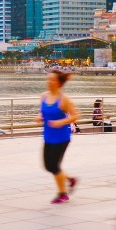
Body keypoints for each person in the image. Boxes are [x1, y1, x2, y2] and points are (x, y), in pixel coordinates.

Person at [39, 70, 79, 204]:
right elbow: (43, 112)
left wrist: (61, 122)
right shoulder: (44, 96)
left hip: (61, 137)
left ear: (59, 83)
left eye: (52, 79)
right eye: (48, 79)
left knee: (54, 166)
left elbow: (75, 115)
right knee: (48, 166)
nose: (49, 82)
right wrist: (40, 117)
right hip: (48, 136)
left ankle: (62, 194)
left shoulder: (64, 99)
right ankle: (69, 180)